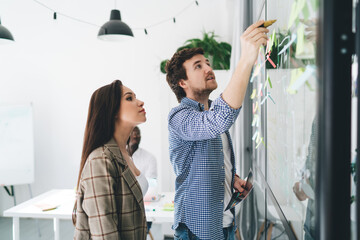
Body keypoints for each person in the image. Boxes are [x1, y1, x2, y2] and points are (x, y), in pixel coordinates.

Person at [165, 20, 269, 240]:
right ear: (182, 83)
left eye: (207, 63)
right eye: (198, 66)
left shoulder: (210, 111)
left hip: (226, 224)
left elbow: (207, 162)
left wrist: (231, 179)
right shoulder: (179, 117)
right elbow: (219, 119)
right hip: (196, 231)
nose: (209, 68)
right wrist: (246, 58)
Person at [73, 80, 148, 240]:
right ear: (112, 110)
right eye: (129, 98)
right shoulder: (100, 159)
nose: (140, 102)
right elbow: (104, 233)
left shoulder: (124, 154)